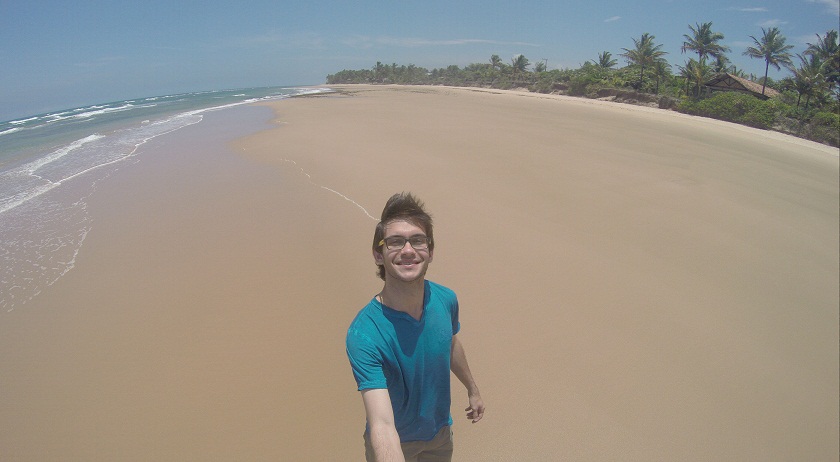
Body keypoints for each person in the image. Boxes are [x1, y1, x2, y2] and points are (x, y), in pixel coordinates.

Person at [346, 192, 485, 462]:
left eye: (418, 240)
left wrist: (472, 389)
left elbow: (451, 342)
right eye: (395, 242)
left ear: (430, 252)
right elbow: (382, 425)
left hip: (440, 433)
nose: (408, 250)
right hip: (397, 444)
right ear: (378, 254)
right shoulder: (364, 334)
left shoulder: (446, 299)